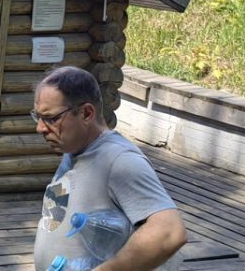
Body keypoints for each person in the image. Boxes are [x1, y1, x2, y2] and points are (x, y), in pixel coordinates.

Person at [32, 66, 187, 271]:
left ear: (86, 114)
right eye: (37, 117)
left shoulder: (120, 160)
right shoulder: (75, 151)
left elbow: (168, 232)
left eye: (51, 119)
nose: (40, 128)